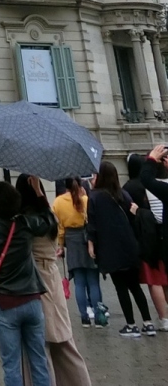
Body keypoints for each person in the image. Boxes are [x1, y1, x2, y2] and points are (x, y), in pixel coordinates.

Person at [0, 179, 54, 386]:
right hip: (32, 299)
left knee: (11, 365)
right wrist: (39, 193)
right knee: (39, 360)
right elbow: (48, 221)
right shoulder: (25, 224)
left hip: (4, 303)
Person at [16, 175, 92, 386]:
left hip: (34, 281)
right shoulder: (49, 217)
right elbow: (47, 212)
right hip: (53, 278)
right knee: (64, 341)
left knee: (39, 345)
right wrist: (38, 191)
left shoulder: (24, 222)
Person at [87, 159, 155, 336]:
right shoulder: (123, 194)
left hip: (110, 249)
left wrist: (91, 244)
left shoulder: (94, 197)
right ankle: (148, 323)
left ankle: (131, 325)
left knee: (121, 288)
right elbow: (133, 218)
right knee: (135, 286)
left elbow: (92, 224)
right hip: (129, 246)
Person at [53, 177, 106, 327]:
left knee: (79, 282)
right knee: (93, 281)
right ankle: (99, 317)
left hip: (71, 241)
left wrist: (61, 244)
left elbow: (60, 228)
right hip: (88, 240)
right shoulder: (86, 200)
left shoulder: (58, 202)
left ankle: (84, 318)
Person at [124, 153, 168, 328]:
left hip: (149, 237)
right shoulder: (162, 184)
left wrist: (138, 212)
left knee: (155, 280)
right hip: (162, 236)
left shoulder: (135, 187)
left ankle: (164, 318)